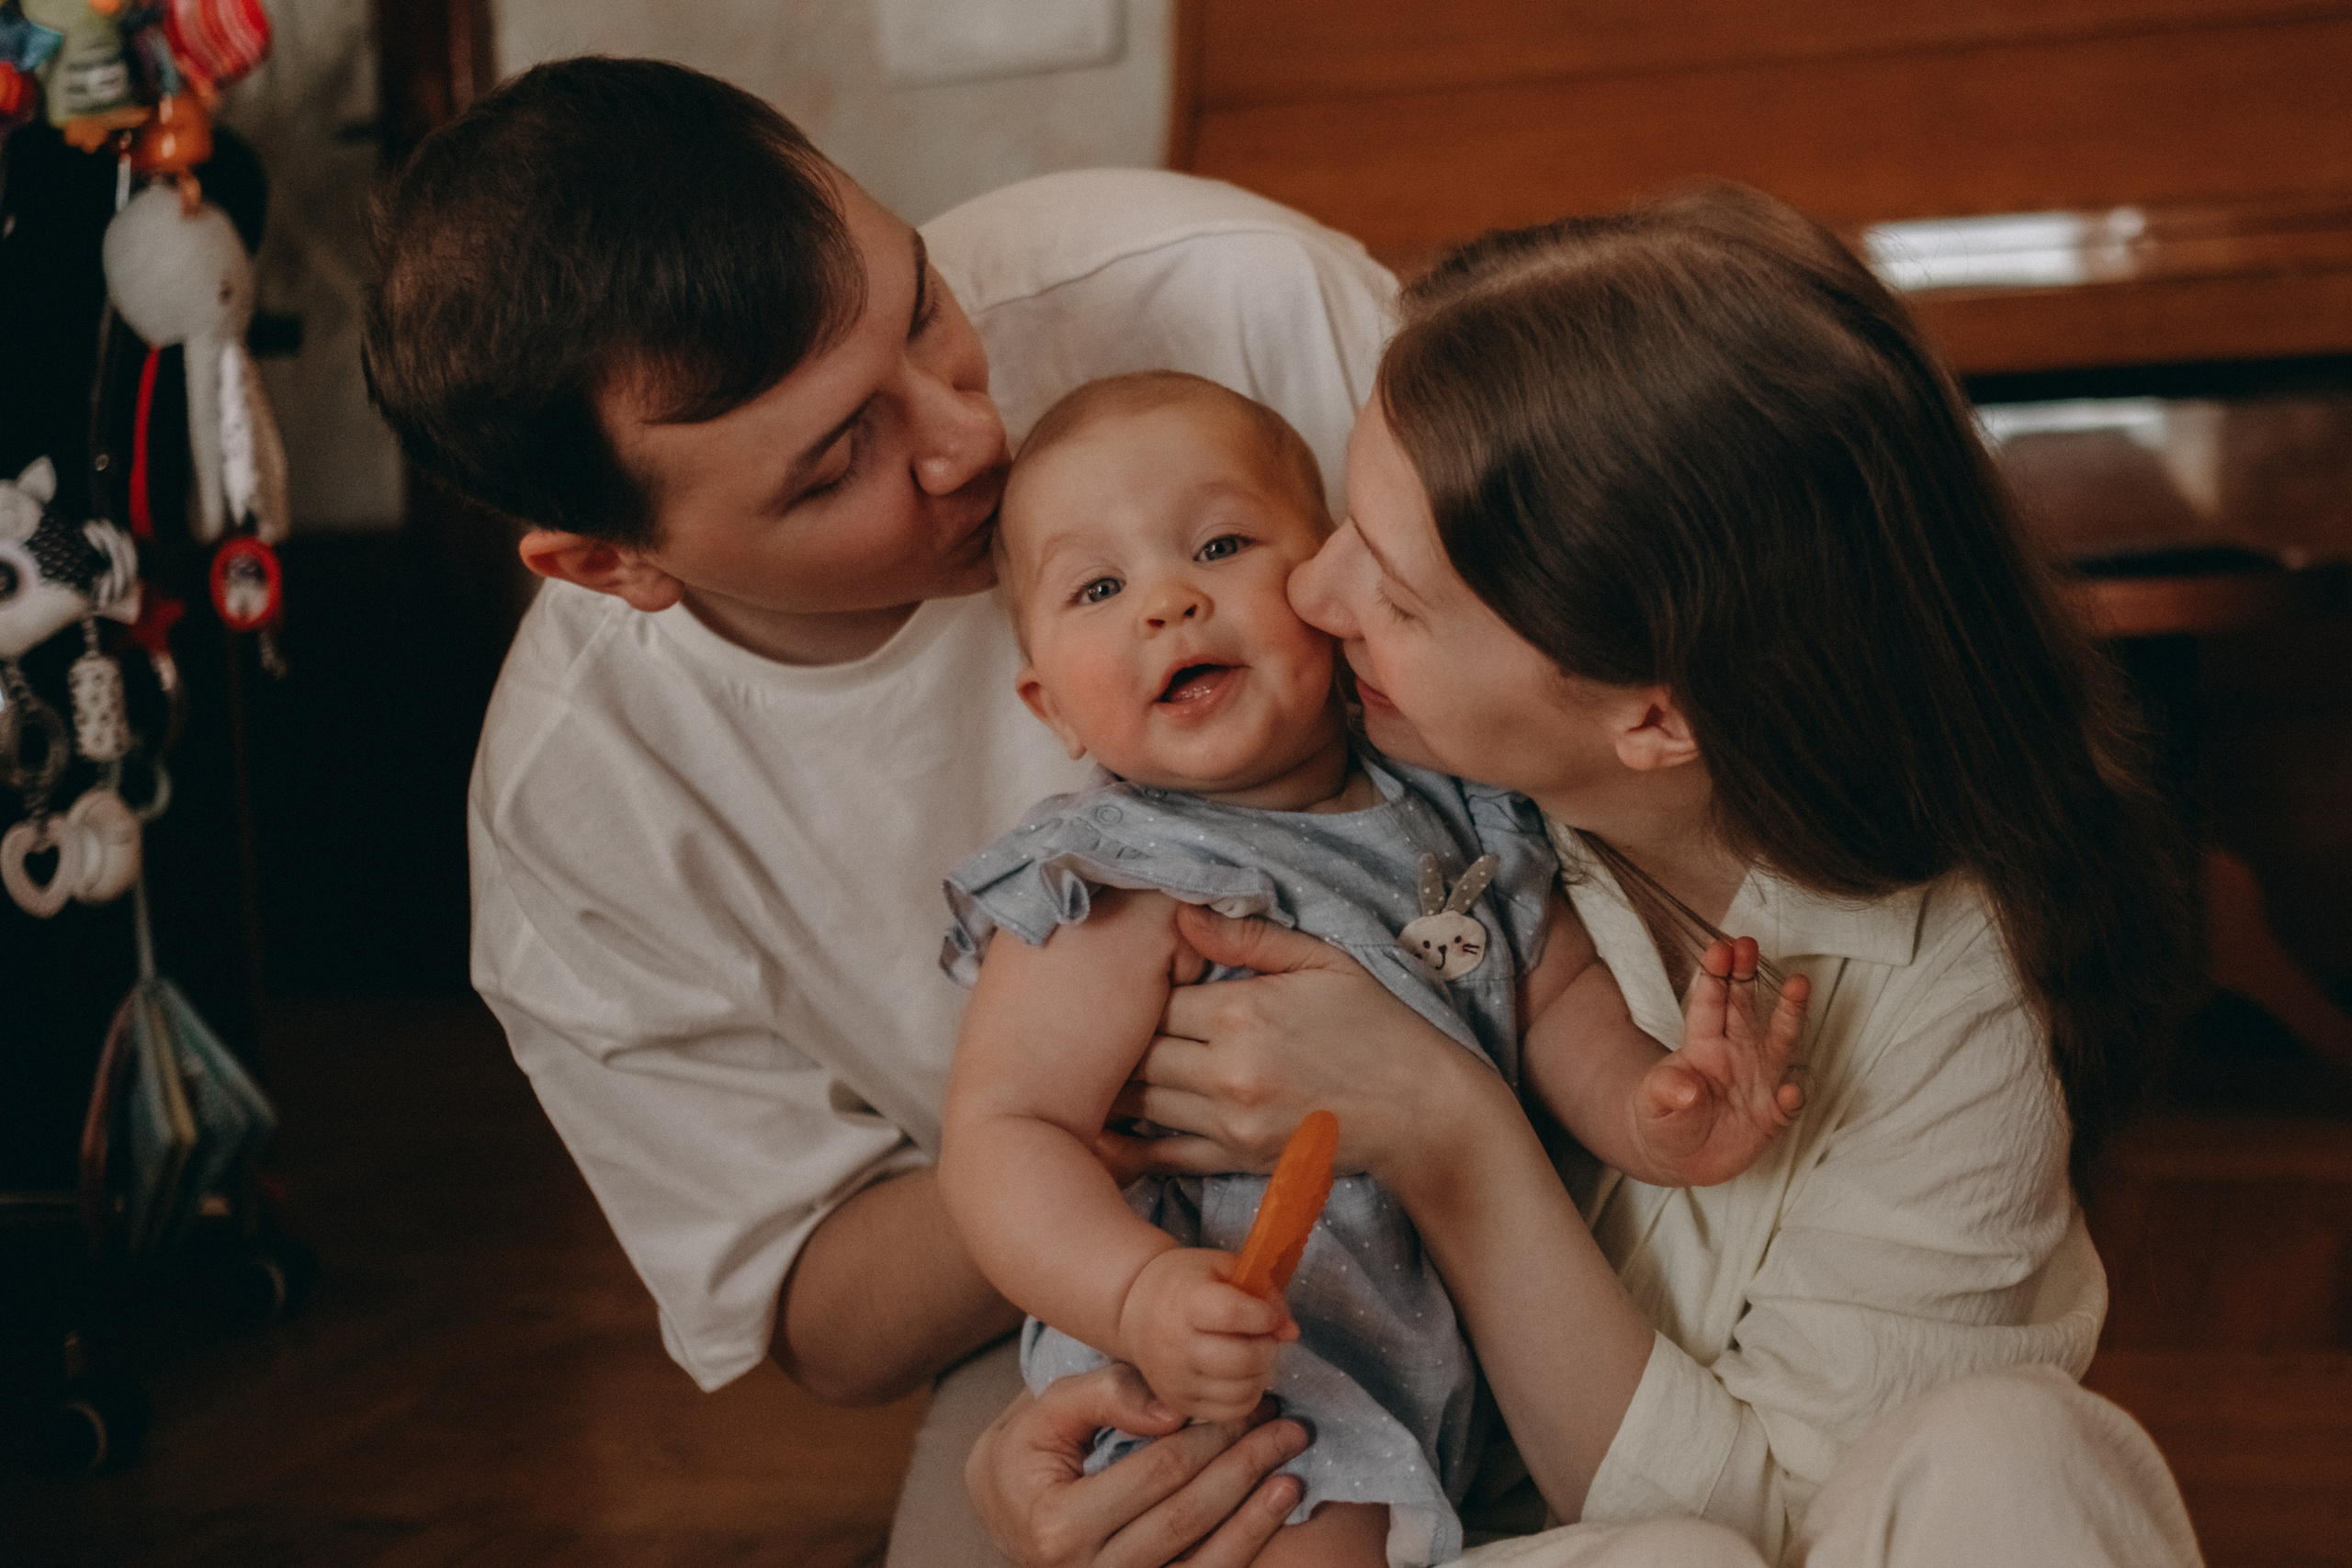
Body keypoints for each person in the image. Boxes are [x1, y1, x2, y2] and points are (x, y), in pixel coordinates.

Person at [964, 186, 2209, 1567]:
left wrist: (1450, 1131)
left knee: (2017, 1451)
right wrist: (1087, 1366)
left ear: (1656, 719)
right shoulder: (1225, 847)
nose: (1311, 596)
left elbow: (1802, 1528)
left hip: (1657, 1515)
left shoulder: (1935, 1009)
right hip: (1339, 1465)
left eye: (1393, 585)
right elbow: (1014, 1140)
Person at [360, 57, 1394, 1563]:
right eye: (838, 461)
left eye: (920, 308)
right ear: (612, 566)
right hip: (1115, 1298)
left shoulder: (1217, 296)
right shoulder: (583, 808)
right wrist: (1059, 1116)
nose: (969, 438)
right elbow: (822, 1318)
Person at [937, 372, 1809, 1567]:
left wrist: (1654, 1112)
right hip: (1232, 1377)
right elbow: (1005, 1130)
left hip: (1448, 1379)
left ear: (1331, 588)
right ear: (1053, 708)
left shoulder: (1464, 811)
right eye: (1099, 587)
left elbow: (1551, 997)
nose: (1169, 603)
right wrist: (1140, 1297)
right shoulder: (1121, 873)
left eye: (1222, 544)